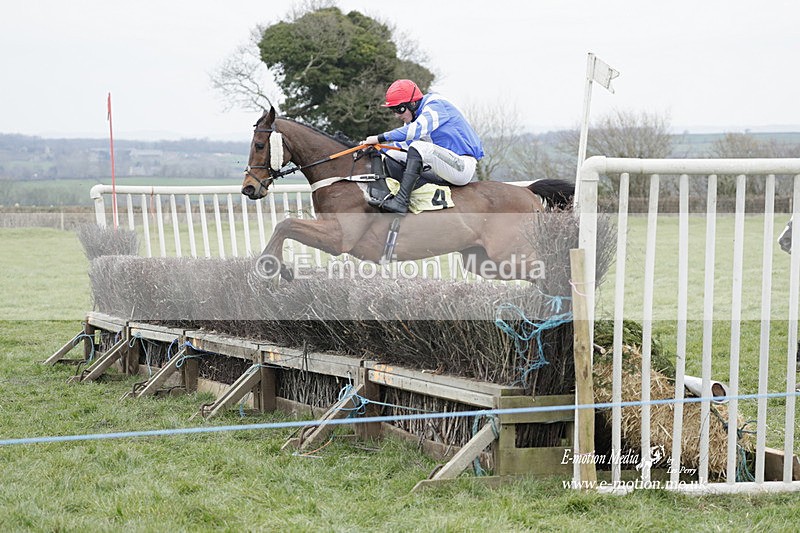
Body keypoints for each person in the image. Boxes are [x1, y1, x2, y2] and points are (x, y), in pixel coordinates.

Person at [363, 79, 484, 215]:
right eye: (393, 110)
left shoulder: (435, 105)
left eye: (399, 109)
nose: (397, 115)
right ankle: (394, 196)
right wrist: (376, 148)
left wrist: (379, 137)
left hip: (462, 167)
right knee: (391, 154)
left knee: (420, 147)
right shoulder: (414, 118)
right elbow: (402, 145)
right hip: (440, 167)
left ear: (413, 103)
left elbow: (415, 131)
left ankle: (401, 202)